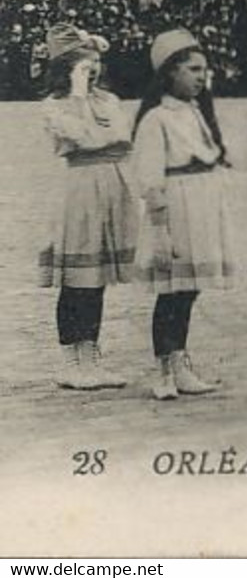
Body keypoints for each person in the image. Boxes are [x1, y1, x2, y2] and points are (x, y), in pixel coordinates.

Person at [132, 29, 232, 401]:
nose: (200, 77)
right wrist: (159, 230)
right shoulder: (156, 119)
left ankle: (180, 361)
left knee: (189, 289)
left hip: (201, 208)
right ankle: (162, 369)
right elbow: (149, 178)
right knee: (170, 292)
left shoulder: (196, 112)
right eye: (192, 69)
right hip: (176, 209)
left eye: (204, 70)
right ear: (170, 73)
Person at [40, 23, 138, 391]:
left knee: (96, 279)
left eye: (95, 61)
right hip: (79, 191)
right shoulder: (54, 106)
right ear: (65, 68)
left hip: (112, 187)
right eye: (82, 64)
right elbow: (81, 137)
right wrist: (79, 97)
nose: (92, 68)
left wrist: (99, 138)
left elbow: (121, 138)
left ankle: (91, 358)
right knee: (76, 279)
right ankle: (70, 362)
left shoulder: (109, 101)